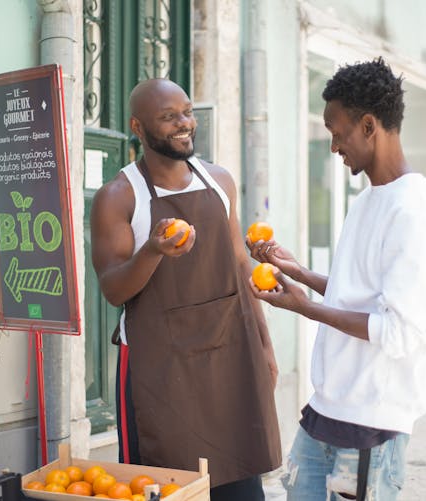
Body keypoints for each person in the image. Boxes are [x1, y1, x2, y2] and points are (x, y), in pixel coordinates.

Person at [247, 58, 426, 500]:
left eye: (336, 132)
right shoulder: (369, 200)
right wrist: (300, 273)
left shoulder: (413, 210)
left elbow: (398, 331)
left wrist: (305, 308)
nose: (333, 146)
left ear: (368, 126)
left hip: (372, 427)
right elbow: (363, 296)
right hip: (327, 410)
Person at [90, 78, 282, 500]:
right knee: (164, 485)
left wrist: (264, 348)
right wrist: (153, 251)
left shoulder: (219, 181)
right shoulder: (119, 197)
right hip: (159, 368)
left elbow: (238, 266)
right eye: (168, 116)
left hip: (229, 356)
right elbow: (112, 289)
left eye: (187, 112)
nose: (184, 124)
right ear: (138, 128)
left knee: (241, 486)